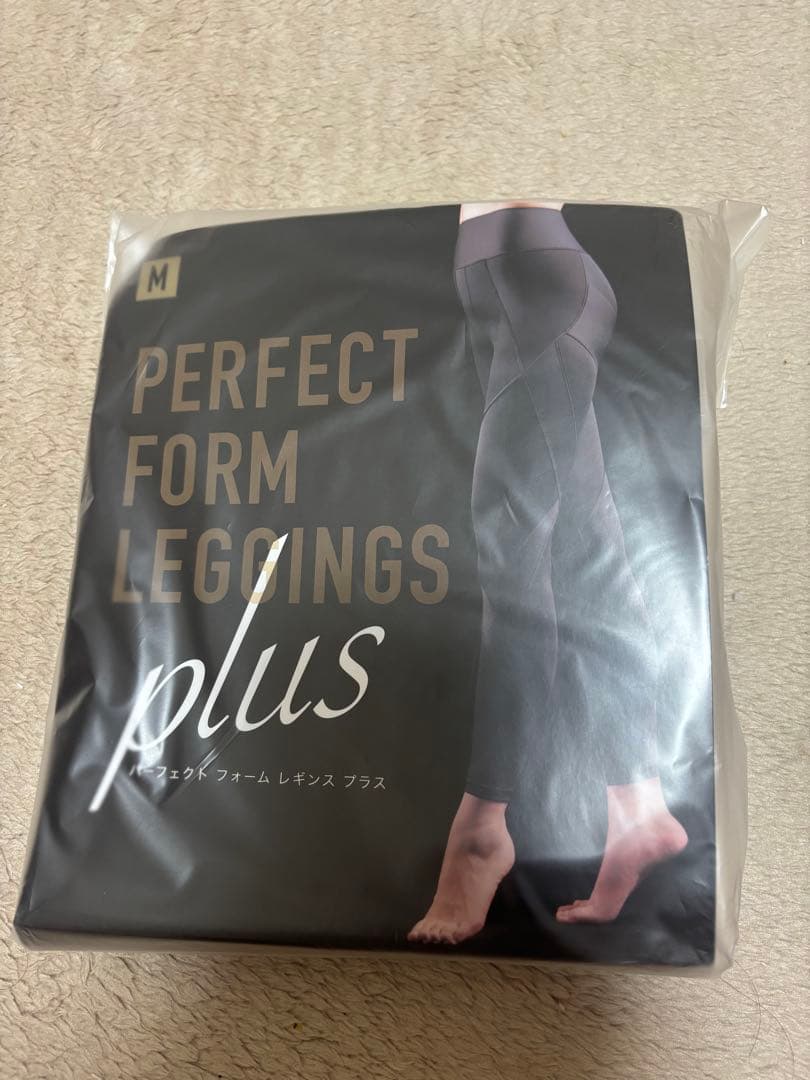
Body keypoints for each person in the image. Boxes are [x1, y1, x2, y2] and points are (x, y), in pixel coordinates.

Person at [408, 201, 688, 946]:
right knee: (586, 550)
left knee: (514, 549)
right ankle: (638, 805)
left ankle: (483, 825)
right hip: (520, 289)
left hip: (537, 284)